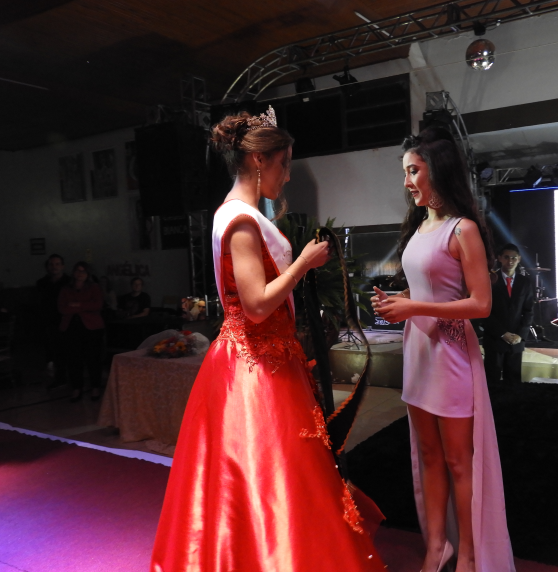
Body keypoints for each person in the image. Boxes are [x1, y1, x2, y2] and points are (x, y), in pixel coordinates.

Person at [150, 107, 387, 572]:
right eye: (284, 164)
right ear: (260, 161)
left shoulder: (242, 215)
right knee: (268, 473)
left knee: (270, 477)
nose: (288, 175)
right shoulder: (240, 221)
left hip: (267, 359)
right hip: (255, 368)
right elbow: (257, 305)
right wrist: (303, 263)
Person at [372, 126, 515, 572]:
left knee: (457, 461)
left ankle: (469, 553)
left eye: (413, 171)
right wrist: (397, 302)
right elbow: (426, 288)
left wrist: (413, 305)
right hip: (418, 353)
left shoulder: (463, 229)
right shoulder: (420, 228)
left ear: (437, 170)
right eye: (405, 172)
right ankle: (437, 548)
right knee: (429, 457)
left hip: (452, 356)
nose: (407, 181)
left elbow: (481, 304)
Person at [479, 243, 535, 388]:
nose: (510, 261)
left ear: (519, 259)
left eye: (514, 258)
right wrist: (502, 333)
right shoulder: (488, 280)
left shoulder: (525, 282)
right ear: (499, 258)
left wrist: (520, 335)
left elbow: (528, 311)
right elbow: (483, 311)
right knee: (492, 383)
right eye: (506, 257)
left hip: (516, 340)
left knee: (514, 383)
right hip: (495, 339)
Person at [58, 262, 104, 402]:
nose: (80, 274)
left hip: (91, 327)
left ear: (88, 274)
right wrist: (85, 306)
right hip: (71, 327)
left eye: (83, 271)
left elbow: (97, 305)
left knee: (93, 358)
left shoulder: (94, 287)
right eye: (78, 271)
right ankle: (77, 388)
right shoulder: (66, 289)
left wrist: (77, 305)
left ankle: (95, 387)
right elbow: (62, 308)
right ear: (73, 272)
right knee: (73, 359)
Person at [36, 254, 70, 388]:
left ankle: (72, 377)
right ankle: (59, 377)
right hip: (49, 322)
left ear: (62, 266)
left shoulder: (69, 282)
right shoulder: (42, 283)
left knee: (69, 350)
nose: (54, 267)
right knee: (54, 351)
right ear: (47, 267)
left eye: (57, 264)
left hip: (67, 321)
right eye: (51, 264)